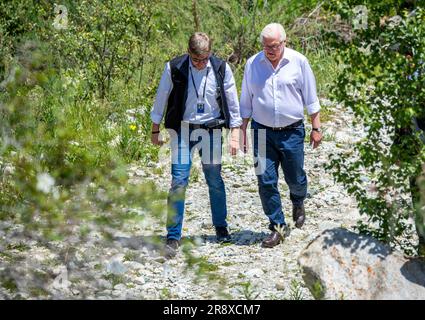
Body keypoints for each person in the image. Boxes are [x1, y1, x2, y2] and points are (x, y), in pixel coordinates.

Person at [150, 32, 242, 258]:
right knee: (178, 181)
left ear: (210, 52)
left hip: (211, 130)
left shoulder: (221, 68)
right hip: (182, 129)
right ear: (188, 52)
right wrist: (154, 128)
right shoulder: (174, 67)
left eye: (204, 59)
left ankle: (221, 226)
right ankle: (173, 235)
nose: (200, 64)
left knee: (214, 180)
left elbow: (232, 99)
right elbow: (161, 97)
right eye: (196, 59)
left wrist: (235, 132)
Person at [240, 23, 322, 248]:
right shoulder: (253, 64)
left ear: (284, 42)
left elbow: (311, 97)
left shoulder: (299, 62)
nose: (270, 50)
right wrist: (241, 132)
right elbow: (246, 101)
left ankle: (298, 200)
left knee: (295, 177)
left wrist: (316, 127)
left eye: (274, 46)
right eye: (266, 46)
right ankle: (277, 225)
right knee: (265, 180)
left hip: (292, 131)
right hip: (261, 131)